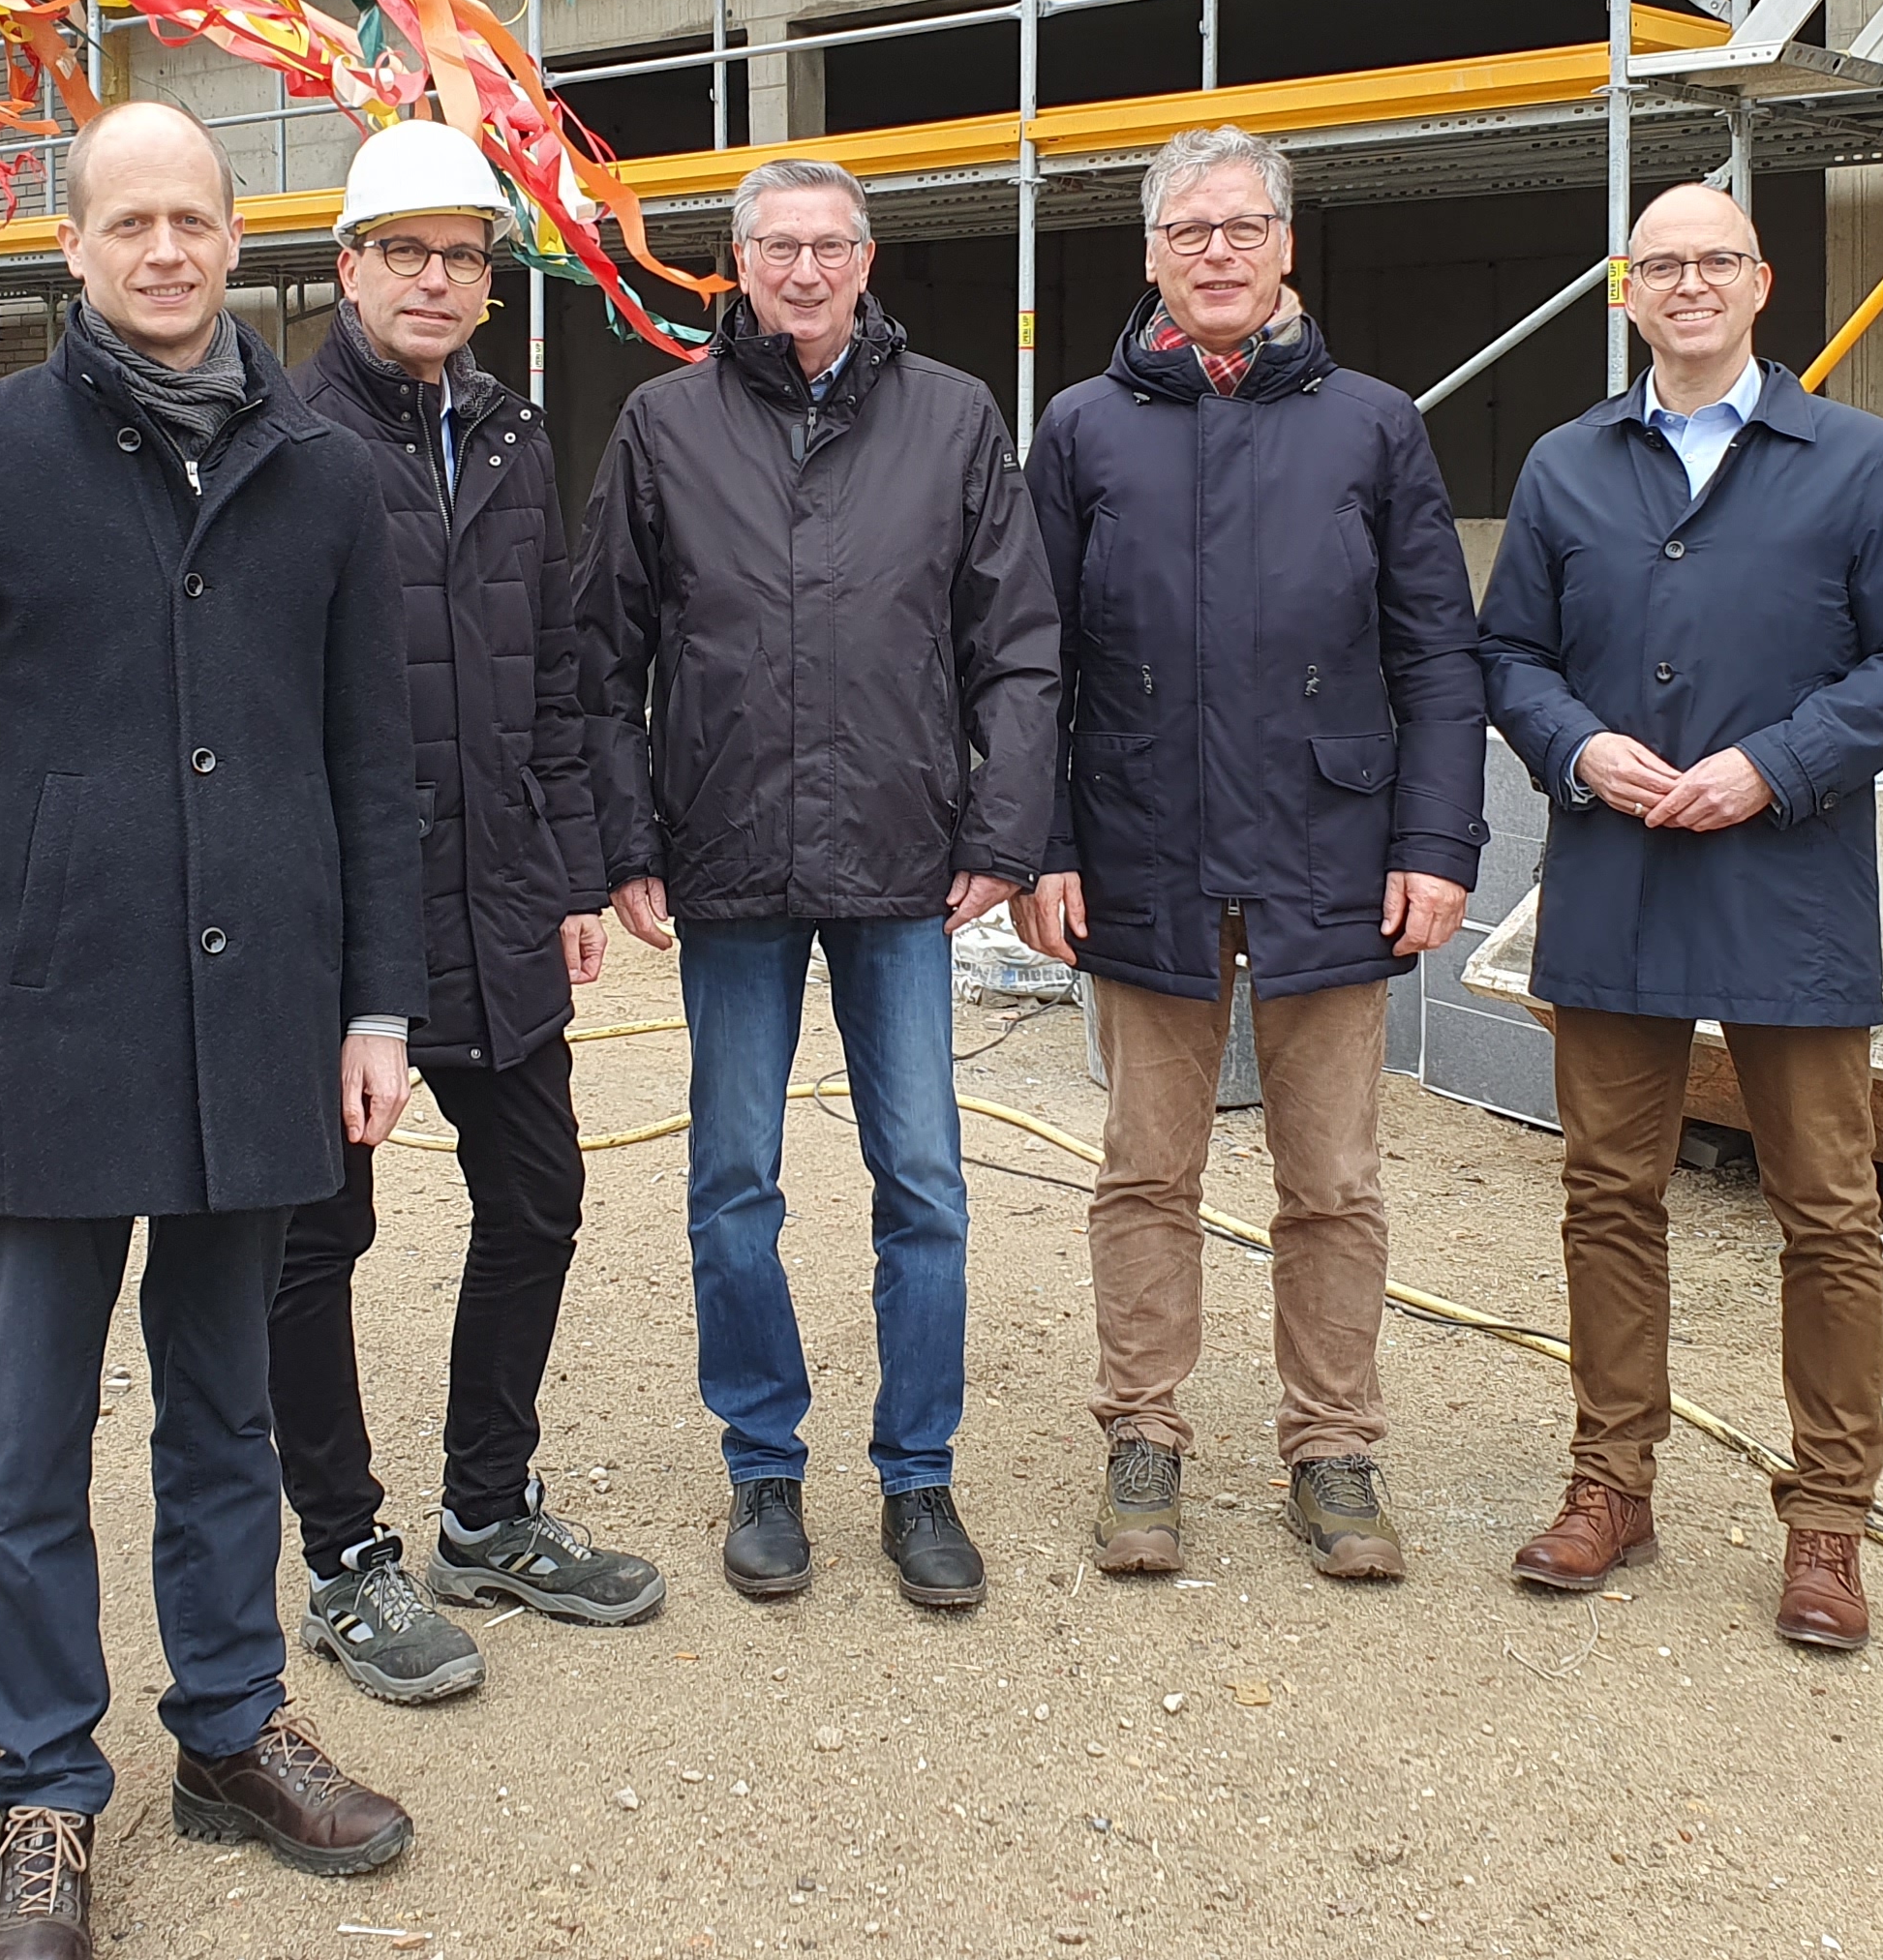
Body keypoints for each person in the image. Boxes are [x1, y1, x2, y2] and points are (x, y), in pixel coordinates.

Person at [0, 101, 425, 1960]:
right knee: (30, 1431)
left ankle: (230, 1725)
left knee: (224, 1407)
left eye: (195, 219)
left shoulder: (325, 474)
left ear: (234, 236)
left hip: (260, 1013)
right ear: (75, 242)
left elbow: (373, 767)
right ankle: (43, 1788)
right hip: (46, 1023)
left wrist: (373, 1007)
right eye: (133, 222)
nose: (167, 252)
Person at [1479, 181, 1883, 1652]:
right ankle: (1610, 1484)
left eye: (1715, 262)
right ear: (1626, 292)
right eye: (1660, 265)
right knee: (1607, 1195)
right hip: (1620, 869)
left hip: (1787, 877)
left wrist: (1781, 763)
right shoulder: (1570, 467)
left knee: (1826, 1210)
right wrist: (1575, 744)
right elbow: (1506, 650)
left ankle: (1828, 1524)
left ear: (1762, 286)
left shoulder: (1856, 461)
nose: (1686, 285)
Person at [573, 157, 1059, 1610]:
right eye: (775, 247)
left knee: (924, 1181)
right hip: (727, 861)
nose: (802, 270)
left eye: (828, 245)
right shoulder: (664, 424)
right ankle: (763, 1466)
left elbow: (1018, 643)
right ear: (735, 263)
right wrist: (626, 842)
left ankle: (919, 1478)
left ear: (867, 258)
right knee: (735, 1183)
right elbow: (601, 656)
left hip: (903, 860)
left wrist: (1003, 829)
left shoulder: (955, 417)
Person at [1015, 126, 1486, 1586]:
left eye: (1243, 226)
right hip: (1145, 847)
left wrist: (1436, 838)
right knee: (1146, 1167)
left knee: (1332, 1176)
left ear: (1286, 247)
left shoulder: (1374, 425)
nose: (1217, 250)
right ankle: (1142, 1436)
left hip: (1331, 851)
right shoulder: (1084, 429)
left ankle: (1333, 1449)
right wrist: (1042, 843)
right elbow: (1035, 661)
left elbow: (1438, 656)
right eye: (1189, 230)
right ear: (1152, 256)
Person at [268, 119, 664, 1709]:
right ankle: (345, 1557)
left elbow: (556, 679)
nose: (436, 280)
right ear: (349, 266)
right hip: (340, 919)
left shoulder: (507, 436)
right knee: (320, 1237)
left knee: (542, 1198)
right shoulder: (283, 440)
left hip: (496, 893)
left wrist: (569, 873)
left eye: (465, 259)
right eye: (406, 252)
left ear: (490, 287)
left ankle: (486, 1511)